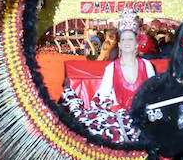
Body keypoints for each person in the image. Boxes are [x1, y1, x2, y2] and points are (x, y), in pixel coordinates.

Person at [61, 11, 155, 143]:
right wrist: (116, 107)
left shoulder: (147, 65)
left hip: (143, 115)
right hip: (120, 117)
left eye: (131, 39)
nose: (127, 43)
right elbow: (101, 98)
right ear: (120, 45)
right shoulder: (111, 68)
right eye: (124, 39)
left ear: (136, 44)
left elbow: (154, 93)